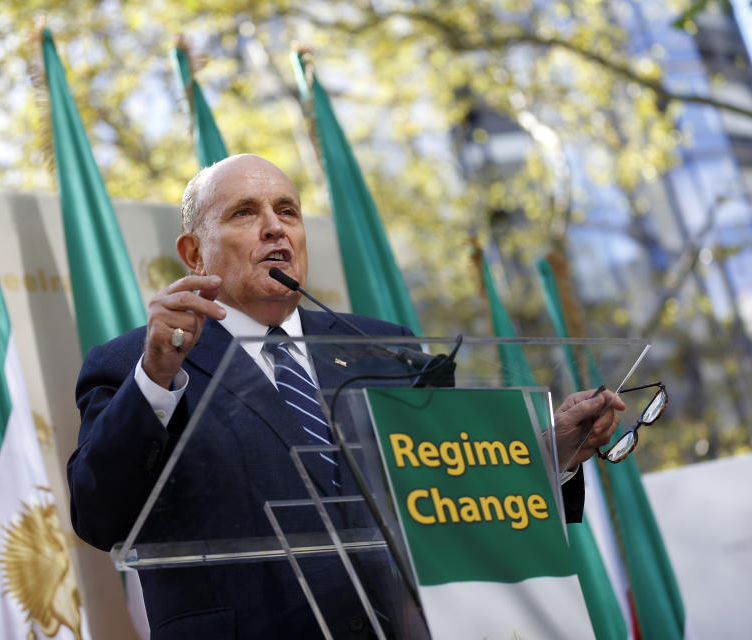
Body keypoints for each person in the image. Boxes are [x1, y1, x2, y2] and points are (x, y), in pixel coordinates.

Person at [67, 154, 625, 639]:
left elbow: (454, 494)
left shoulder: (383, 350)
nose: (274, 229)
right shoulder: (139, 365)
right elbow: (100, 516)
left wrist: (548, 454)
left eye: (287, 211)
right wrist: (157, 373)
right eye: (245, 213)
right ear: (193, 253)